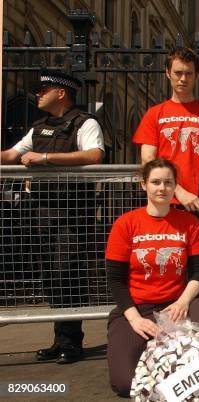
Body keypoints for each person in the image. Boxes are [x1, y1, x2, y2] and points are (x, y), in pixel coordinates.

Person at [0, 69, 105, 364]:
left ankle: (72, 342)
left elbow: (95, 155)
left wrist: (44, 159)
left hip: (72, 213)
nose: (38, 94)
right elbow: (10, 155)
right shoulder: (39, 127)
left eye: (43, 89)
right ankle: (59, 339)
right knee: (50, 276)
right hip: (42, 213)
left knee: (68, 275)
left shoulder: (85, 123)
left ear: (61, 92)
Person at [105, 158, 199, 397]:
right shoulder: (126, 224)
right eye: (155, 182)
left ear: (175, 187)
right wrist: (134, 320)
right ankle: (147, 346)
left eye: (168, 182)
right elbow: (115, 280)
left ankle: (172, 352)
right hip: (138, 309)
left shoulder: (188, 222)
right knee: (124, 385)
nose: (161, 188)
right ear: (143, 185)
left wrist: (183, 302)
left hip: (175, 306)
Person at [132, 47, 199, 261]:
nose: (183, 79)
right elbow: (147, 161)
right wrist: (178, 191)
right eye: (178, 73)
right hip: (165, 203)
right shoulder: (155, 114)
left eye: (189, 73)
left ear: (196, 76)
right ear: (167, 73)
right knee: (170, 266)